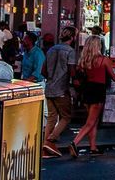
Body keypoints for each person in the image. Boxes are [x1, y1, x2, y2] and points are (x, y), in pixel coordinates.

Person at [41, 27, 78, 159]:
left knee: (51, 118)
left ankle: (45, 150)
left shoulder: (51, 50)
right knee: (66, 116)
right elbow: (72, 72)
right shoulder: (70, 51)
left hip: (49, 87)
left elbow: (43, 71)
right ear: (73, 37)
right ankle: (51, 141)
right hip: (62, 88)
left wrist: (52, 76)